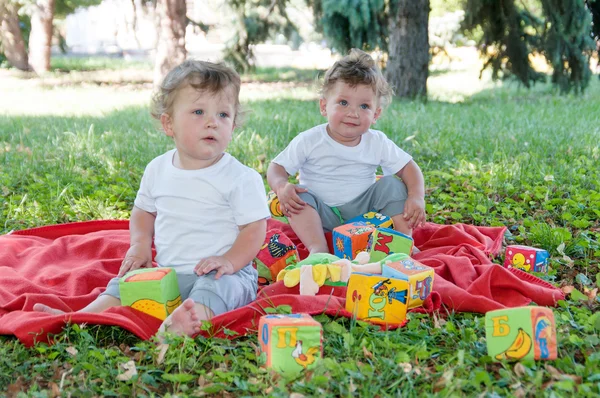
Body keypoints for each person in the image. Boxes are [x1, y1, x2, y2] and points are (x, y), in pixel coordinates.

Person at [34, 60, 270, 339]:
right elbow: (143, 212)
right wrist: (140, 246)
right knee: (123, 284)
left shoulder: (240, 177)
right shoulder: (158, 169)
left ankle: (185, 325)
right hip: (168, 272)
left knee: (216, 288)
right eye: (198, 111)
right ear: (169, 123)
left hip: (226, 271)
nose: (212, 122)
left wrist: (229, 261)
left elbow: (254, 230)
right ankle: (80, 318)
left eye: (223, 114)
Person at [267, 49, 425, 255]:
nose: (353, 113)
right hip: (321, 214)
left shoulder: (376, 141)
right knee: (299, 198)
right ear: (324, 106)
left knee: (392, 185)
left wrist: (416, 197)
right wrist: (281, 186)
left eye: (364, 106)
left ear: (376, 114)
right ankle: (318, 248)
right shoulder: (310, 140)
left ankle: (402, 244)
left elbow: (409, 168)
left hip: (367, 216)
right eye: (343, 103)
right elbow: (276, 167)